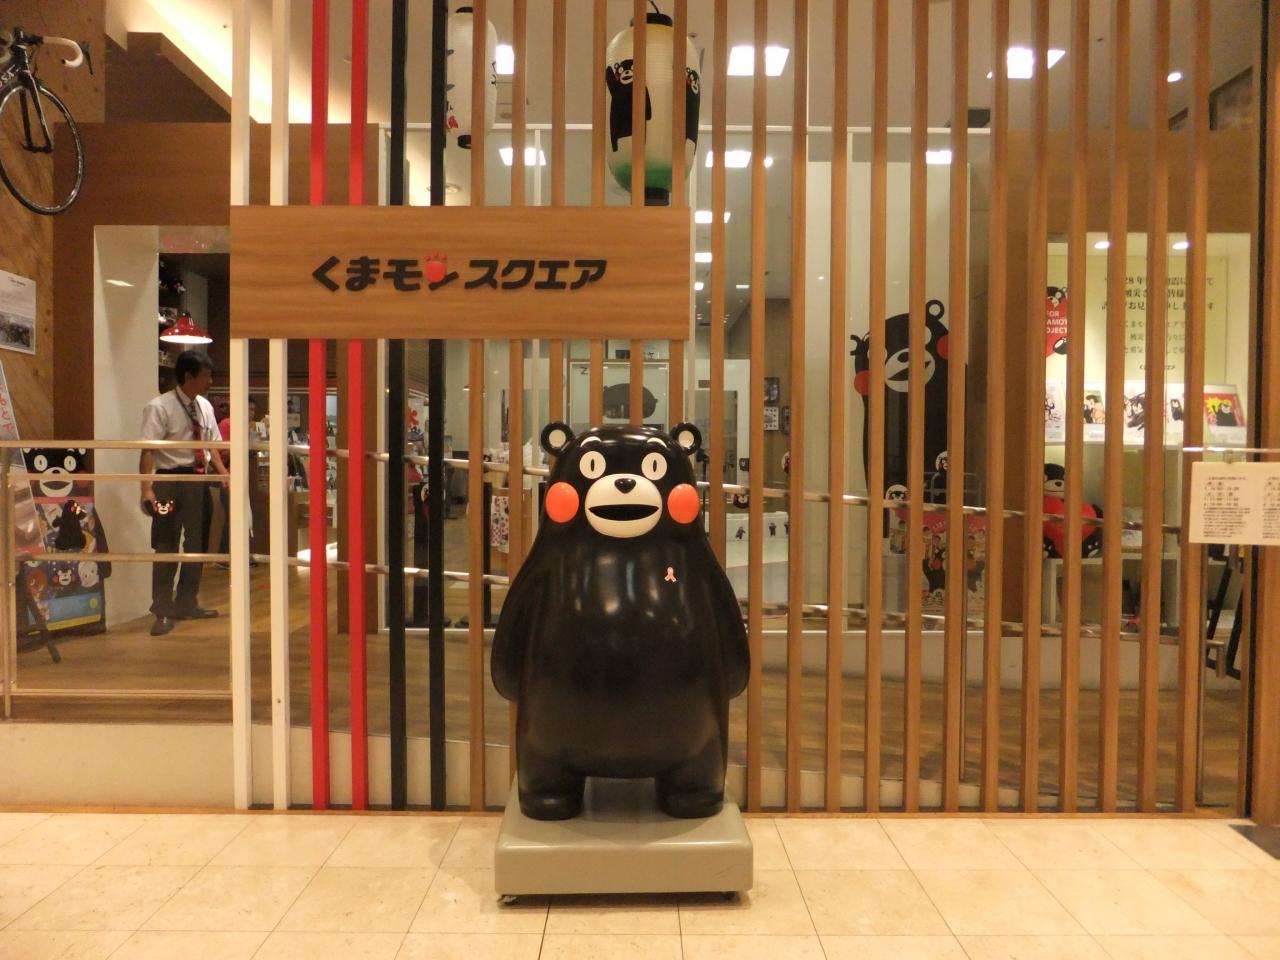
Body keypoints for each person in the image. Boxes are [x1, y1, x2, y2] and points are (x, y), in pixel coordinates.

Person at [140, 350, 228, 636]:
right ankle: (162, 609)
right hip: (169, 479)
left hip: (198, 479)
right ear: (189, 377)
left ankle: (187, 601)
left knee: (197, 543)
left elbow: (211, 444)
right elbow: (147, 450)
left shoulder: (205, 406)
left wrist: (223, 474)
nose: (210, 381)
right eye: (206, 376)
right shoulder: (159, 406)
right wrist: (146, 489)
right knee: (165, 543)